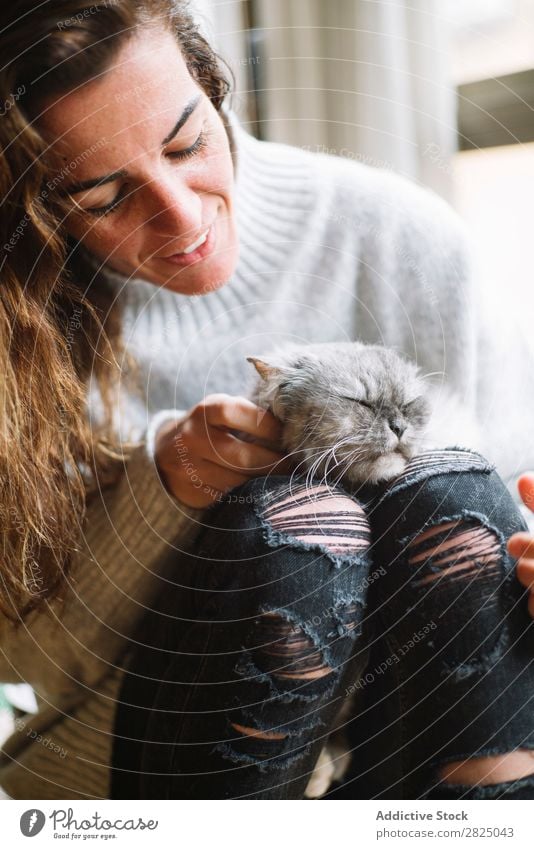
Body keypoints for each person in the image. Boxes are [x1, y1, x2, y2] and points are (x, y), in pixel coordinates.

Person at [0, 0, 533, 800]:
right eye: (102, 196)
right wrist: (165, 489)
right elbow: (29, 665)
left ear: (215, 90)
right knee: (295, 527)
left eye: (188, 144)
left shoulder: (400, 238)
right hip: (135, 747)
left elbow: (504, 518)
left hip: (413, 736)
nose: (182, 217)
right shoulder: (23, 333)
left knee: (451, 485)